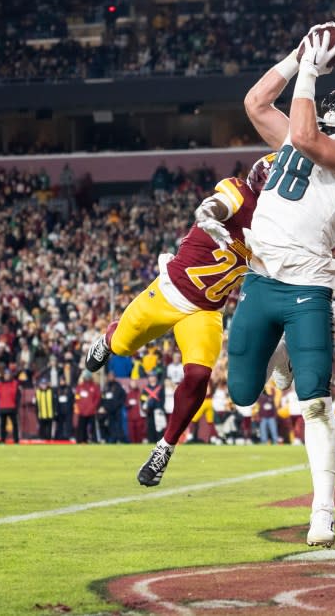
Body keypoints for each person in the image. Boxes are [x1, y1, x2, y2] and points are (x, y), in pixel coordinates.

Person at [227, 20, 335, 547]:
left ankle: (322, 510)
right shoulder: (311, 133)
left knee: (316, 401)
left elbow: (304, 135)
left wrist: (309, 72)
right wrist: (294, 54)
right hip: (260, 278)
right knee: (241, 395)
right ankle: (280, 358)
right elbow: (256, 104)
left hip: (308, 285)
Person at [84, 153, 273, 484]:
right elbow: (215, 205)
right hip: (170, 290)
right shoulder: (238, 192)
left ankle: (164, 449)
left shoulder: (280, 225)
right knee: (124, 345)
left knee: (199, 375)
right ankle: (108, 339)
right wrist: (208, 216)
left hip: (206, 311)